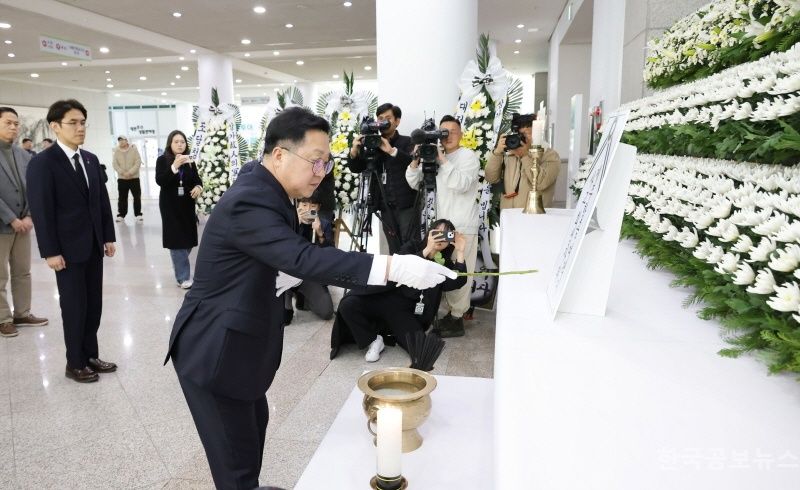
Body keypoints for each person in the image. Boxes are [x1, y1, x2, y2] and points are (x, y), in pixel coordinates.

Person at [163, 107, 455, 490]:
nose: (321, 172)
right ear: (280, 155)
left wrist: (277, 276)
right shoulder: (251, 198)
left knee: (252, 431)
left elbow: (274, 257)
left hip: (239, 345)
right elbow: (301, 257)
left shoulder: (273, 190)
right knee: (233, 457)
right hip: (214, 351)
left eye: (326, 163)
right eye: (315, 162)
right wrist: (393, 267)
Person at [26, 99, 116, 383]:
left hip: (93, 246)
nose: (80, 128)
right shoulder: (43, 163)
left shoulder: (89, 159)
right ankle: (74, 362)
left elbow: (101, 202)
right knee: (75, 306)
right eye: (73, 123)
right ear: (55, 127)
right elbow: (42, 210)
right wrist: (50, 251)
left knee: (94, 305)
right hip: (66, 250)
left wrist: (108, 236)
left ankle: (90, 354)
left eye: (82, 122)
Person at [332, 219, 467, 362]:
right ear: (429, 233)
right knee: (348, 304)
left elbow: (457, 281)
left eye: (446, 235)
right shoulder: (413, 246)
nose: (441, 238)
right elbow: (399, 264)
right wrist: (428, 250)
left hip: (407, 312)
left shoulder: (444, 263)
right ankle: (373, 340)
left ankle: (391, 334)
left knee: (421, 351)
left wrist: (460, 251)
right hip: (386, 298)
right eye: (437, 233)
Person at [405, 115, 480, 338]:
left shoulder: (468, 157)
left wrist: (443, 161)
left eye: (452, 132)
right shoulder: (435, 156)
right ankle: (443, 313)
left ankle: (457, 318)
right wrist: (416, 160)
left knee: (459, 270)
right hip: (438, 225)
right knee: (441, 269)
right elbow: (412, 181)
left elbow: (461, 184)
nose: (447, 136)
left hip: (462, 225)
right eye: (443, 132)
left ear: (461, 134)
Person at [0, 107, 49, 338]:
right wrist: (11, 218)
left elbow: (33, 187)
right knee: (0, 275)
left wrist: (29, 216)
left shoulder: (23, 154)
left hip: (24, 224)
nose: (14, 127)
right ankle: (3, 318)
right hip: (3, 225)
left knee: (22, 272)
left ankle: (22, 313)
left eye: (16, 123)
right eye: (8, 123)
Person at [348, 103, 416, 253]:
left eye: (388, 118)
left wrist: (392, 151)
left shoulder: (407, 142)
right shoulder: (371, 143)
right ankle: (393, 276)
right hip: (385, 205)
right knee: (393, 247)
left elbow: (413, 163)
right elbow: (356, 168)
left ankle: (409, 276)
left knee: (409, 245)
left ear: (397, 121)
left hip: (406, 205)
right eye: (380, 118)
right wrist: (354, 152)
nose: (384, 121)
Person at [155, 130, 203, 289]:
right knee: (177, 242)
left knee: (187, 241)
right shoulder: (162, 160)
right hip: (170, 206)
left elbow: (197, 179)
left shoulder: (190, 160)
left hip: (187, 205)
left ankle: (179, 264)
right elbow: (161, 181)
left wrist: (198, 187)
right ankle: (183, 277)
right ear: (170, 143)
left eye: (182, 141)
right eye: (176, 141)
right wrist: (174, 166)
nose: (180, 144)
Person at [485, 114, 561, 210]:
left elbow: (541, 183)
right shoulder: (510, 155)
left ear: (537, 134)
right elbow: (491, 178)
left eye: (526, 133)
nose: (522, 138)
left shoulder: (550, 155)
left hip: (535, 216)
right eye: (520, 134)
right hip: (509, 217)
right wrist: (497, 153)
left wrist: (525, 156)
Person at [283, 190, 336, 325]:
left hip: (310, 274)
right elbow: (283, 251)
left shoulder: (323, 224)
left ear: (318, 208)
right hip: (288, 273)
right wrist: (297, 225)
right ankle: (290, 294)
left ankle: (302, 298)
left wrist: (320, 233)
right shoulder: (288, 221)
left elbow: (331, 256)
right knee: (284, 318)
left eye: (313, 206)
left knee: (327, 312)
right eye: (304, 205)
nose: (308, 209)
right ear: (298, 205)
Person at [112, 136, 144, 223]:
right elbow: (115, 164)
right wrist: (122, 172)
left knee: (137, 197)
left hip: (134, 178)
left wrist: (130, 172)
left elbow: (138, 162)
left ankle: (138, 214)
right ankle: (121, 215)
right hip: (122, 179)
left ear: (127, 141)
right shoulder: (116, 151)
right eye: (119, 141)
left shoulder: (134, 150)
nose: (121, 142)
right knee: (122, 197)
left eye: (123, 140)